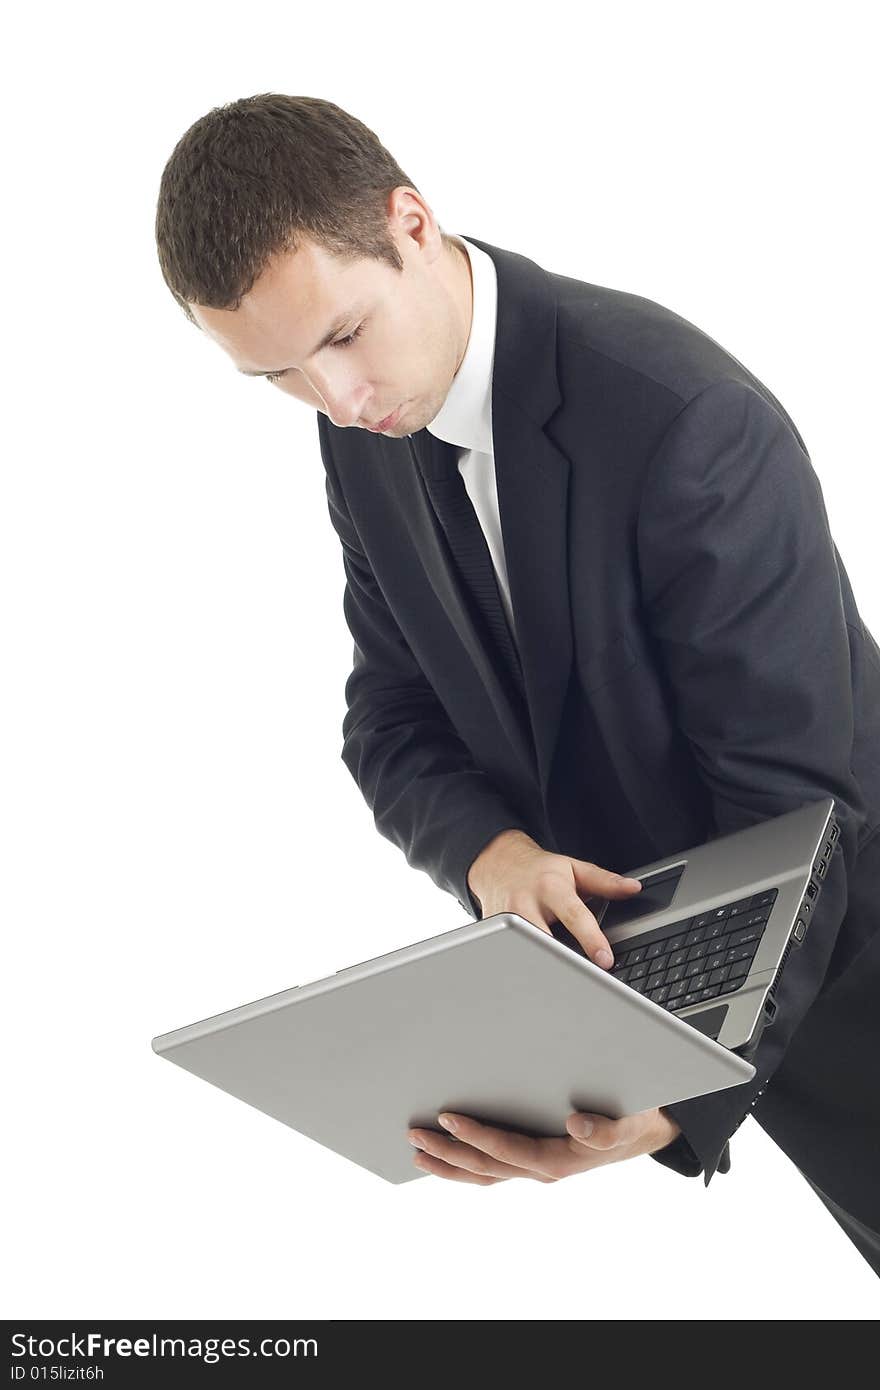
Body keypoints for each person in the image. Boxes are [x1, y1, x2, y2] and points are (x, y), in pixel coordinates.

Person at [154, 93, 880, 1275]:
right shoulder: (366, 433)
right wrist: (493, 855)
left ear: (411, 223)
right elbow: (390, 717)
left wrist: (686, 1092)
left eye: (341, 337)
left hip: (851, 961)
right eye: (277, 374)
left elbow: (804, 807)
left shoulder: (685, 421)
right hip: (700, 978)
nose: (335, 400)